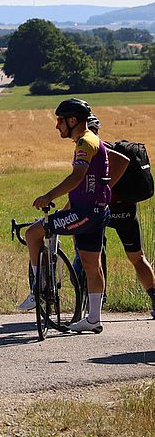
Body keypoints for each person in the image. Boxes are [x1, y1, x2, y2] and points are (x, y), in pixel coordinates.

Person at [17, 99, 110, 333]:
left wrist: (48, 195)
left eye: (60, 120)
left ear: (72, 120)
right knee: (91, 264)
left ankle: (36, 289)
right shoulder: (92, 140)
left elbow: (78, 177)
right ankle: (94, 319)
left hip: (86, 213)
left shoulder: (85, 143)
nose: (57, 125)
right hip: (96, 211)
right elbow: (88, 182)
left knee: (32, 233)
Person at [86, 114, 155, 319]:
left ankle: (97, 301)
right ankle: (154, 298)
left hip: (101, 209)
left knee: (92, 255)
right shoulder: (110, 149)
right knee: (137, 257)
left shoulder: (94, 153)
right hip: (126, 208)